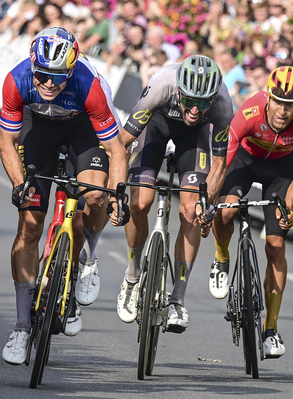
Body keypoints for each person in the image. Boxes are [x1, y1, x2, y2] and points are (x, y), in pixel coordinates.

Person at [0, 27, 129, 365]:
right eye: (43, 75)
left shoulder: (89, 84)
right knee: (29, 225)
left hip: (82, 125)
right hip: (37, 125)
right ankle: (22, 326)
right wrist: (19, 184)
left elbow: (116, 151)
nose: (50, 84)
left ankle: (88, 257)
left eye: (59, 77)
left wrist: (116, 194)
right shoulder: (18, 79)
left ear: (71, 70)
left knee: (95, 196)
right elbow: (7, 142)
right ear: (32, 65)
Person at [210, 66, 293, 358]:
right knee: (225, 212)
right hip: (244, 161)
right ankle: (221, 258)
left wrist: (289, 208)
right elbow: (223, 163)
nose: (283, 111)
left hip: (280, 171)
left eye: (291, 105)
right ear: (268, 98)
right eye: (278, 102)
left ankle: (271, 329)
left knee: (276, 245)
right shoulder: (249, 113)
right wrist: (210, 200)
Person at [117, 55, 233, 332]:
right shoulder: (162, 86)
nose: (195, 109)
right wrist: (115, 191)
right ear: (179, 89)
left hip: (193, 139)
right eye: (190, 100)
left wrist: (209, 205)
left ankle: (178, 299)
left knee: (192, 212)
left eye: (203, 103)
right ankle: (132, 276)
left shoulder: (223, 105)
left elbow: (219, 164)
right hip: (155, 126)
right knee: (140, 203)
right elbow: (123, 142)